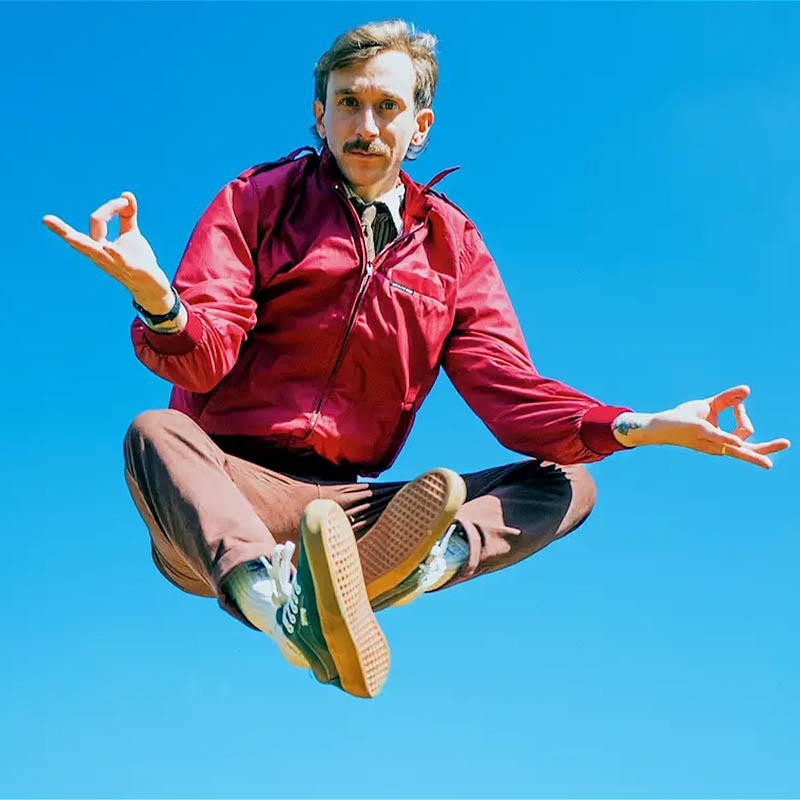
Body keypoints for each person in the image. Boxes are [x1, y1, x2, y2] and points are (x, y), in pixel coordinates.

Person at [42, 19, 789, 699]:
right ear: (319, 114)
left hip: (343, 510)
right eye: (347, 103)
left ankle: (399, 570)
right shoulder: (257, 202)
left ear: (420, 125)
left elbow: (511, 393)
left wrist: (642, 423)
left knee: (568, 484)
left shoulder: (452, 249)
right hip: (223, 496)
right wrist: (158, 301)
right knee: (155, 432)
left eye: (388, 107)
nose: (365, 126)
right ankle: (281, 608)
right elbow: (200, 360)